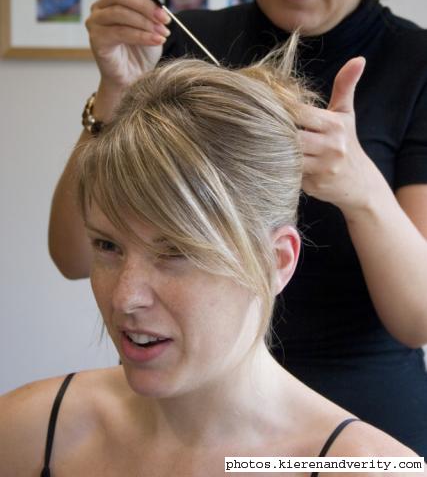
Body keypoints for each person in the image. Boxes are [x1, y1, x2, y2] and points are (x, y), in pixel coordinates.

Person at [48, 0, 427, 454]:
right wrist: (116, 90)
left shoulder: (417, 68)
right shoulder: (187, 47)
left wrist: (361, 190)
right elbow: (73, 255)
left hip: (362, 433)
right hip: (194, 428)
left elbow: (419, 318)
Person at [0, 48, 421, 475]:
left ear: (276, 261)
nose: (125, 297)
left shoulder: (368, 467)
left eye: (176, 253)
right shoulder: (29, 432)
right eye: (108, 247)